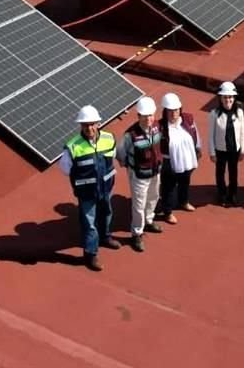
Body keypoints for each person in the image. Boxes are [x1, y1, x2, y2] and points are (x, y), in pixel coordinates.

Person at [57, 105, 120, 272]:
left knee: (107, 213)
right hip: (86, 193)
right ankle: (91, 254)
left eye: (92, 124)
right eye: (85, 125)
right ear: (81, 126)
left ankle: (105, 237)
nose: (89, 128)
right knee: (89, 223)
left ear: (98, 123)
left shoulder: (109, 138)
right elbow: (65, 168)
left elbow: (112, 156)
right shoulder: (73, 146)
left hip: (106, 188)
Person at [118, 96, 164, 252]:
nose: (149, 119)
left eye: (151, 115)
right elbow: (120, 152)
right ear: (138, 116)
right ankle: (136, 233)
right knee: (138, 205)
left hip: (155, 171)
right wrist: (128, 166)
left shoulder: (157, 126)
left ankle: (149, 221)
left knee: (154, 197)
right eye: (145, 116)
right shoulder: (130, 134)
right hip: (139, 175)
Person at [158, 92, 201, 224]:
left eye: (176, 110)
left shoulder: (188, 119)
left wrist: (198, 149)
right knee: (168, 187)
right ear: (165, 111)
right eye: (170, 111)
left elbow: (196, 134)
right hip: (169, 163)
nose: (173, 114)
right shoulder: (159, 127)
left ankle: (184, 202)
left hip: (187, 159)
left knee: (185, 182)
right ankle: (168, 212)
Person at [208, 81, 244, 206]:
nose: (228, 100)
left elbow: (242, 133)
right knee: (220, 173)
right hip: (220, 150)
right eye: (225, 97)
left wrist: (243, 150)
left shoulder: (239, 113)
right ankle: (221, 194)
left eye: (230, 97)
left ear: (234, 98)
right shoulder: (214, 114)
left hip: (234, 150)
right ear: (220, 98)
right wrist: (212, 153)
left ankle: (233, 194)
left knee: (233, 173)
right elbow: (210, 135)